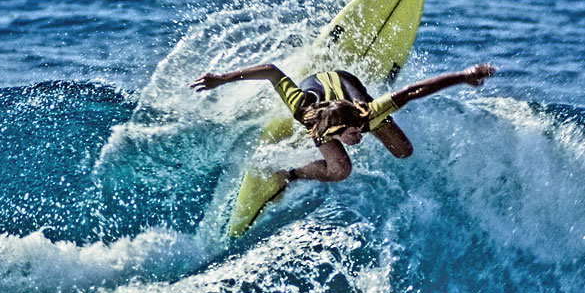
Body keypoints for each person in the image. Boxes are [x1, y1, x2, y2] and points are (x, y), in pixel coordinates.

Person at [190, 64, 496, 187]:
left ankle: (374, 113)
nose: (357, 138)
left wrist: (464, 75)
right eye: (351, 135)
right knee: (340, 170)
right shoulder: (303, 109)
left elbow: (413, 91)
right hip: (321, 100)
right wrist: (223, 79)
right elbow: (271, 72)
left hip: (347, 84)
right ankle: (292, 174)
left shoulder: (367, 113)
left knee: (403, 151)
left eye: (357, 132)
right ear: (331, 134)